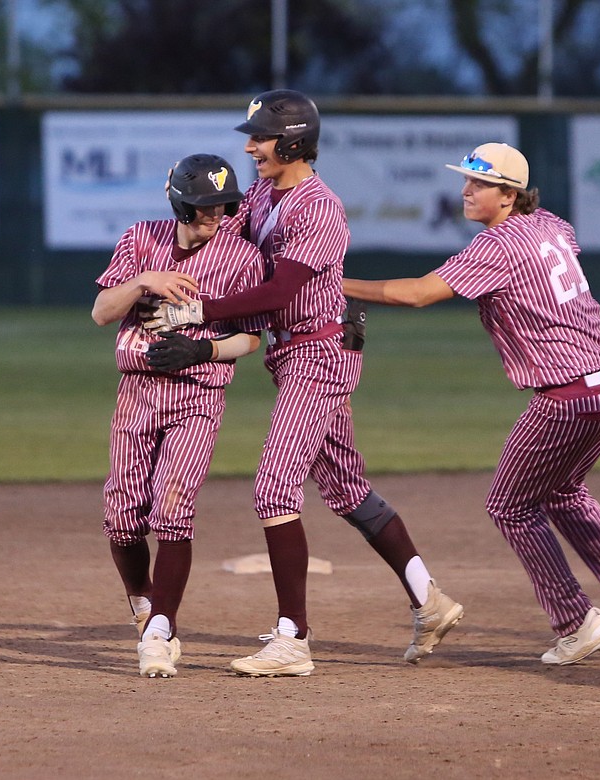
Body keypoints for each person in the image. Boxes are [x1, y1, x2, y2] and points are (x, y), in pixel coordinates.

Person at [143, 90, 463, 675]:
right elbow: (220, 224)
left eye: (259, 136)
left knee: (273, 490)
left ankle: (294, 638)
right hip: (293, 352)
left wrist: (198, 316)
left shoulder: (318, 208)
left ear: (291, 141)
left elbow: (276, 293)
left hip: (320, 350)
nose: (249, 146)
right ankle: (431, 599)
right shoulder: (265, 192)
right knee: (345, 488)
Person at [340, 142, 600, 665]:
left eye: (478, 184)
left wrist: (337, 284)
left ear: (510, 194)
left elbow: (418, 294)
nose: (465, 191)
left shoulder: (499, 245)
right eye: (466, 181)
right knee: (563, 491)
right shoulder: (551, 224)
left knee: (511, 504)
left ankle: (575, 622)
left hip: (568, 393)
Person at [92, 153, 268, 678]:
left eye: (222, 205)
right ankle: (145, 606)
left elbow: (250, 337)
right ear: (179, 202)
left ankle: (161, 629)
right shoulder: (141, 238)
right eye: (203, 206)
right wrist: (146, 280)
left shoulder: (242, 257)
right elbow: (102, 312)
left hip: (198, 395)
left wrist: (203, 351)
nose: (214, 215)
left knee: (173, 507)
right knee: (122, 515)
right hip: (138, 389)